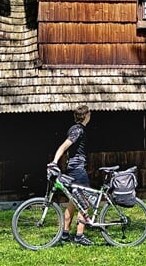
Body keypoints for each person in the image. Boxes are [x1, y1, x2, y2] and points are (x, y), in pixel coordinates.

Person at [48, 105, 93, 246]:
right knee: (84, 203)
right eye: (89, 114)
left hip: (72, 169)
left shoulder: (75, 129)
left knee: (73, 202)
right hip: (78, 170)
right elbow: (63, 146)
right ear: (86, 116)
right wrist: (54, 162)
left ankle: (65, 233)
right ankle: (79, 235)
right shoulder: (78, 130)